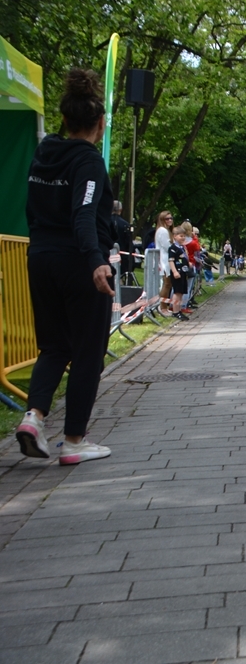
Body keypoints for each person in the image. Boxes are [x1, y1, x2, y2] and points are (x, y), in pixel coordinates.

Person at [16, 68, 114, 465]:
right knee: (89, 351)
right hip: (79, 263)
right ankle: (74, 440)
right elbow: (83, 213)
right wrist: (96, 261)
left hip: (41, 258)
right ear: (100, 123)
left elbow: (32, 209)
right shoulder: (88, 161)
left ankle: (34, 417)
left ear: (64, 118)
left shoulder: (43, 154)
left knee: (54, 346)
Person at [168, 226, 192, 321]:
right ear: (175, 236)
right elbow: (171, 261)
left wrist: (188, 263)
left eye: (184, 236)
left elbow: (184, 258)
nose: (183, 238)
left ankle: (179, 309)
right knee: (177, 292)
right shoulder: (173, 248)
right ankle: (175, 311)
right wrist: (174, 271)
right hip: (177, 272)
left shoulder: (182, 247)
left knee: (181, 292)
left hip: (183, 272)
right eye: (181, 236)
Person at [154, 210, 174, 314]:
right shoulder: (162, 231)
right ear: (162, 220)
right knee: (166, 284)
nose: (170, 220)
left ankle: (164, 306)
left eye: (171, 218)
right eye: (167, 219)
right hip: (164, 260)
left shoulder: (166, 230)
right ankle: (162, 307)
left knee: (168, 284)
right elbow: (167, 246)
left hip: (166, 259)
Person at [111, 200, 134, 277]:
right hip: (122, 255)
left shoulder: (105, 222)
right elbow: (128, 242)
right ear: (120, 210)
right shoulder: (125, 224)